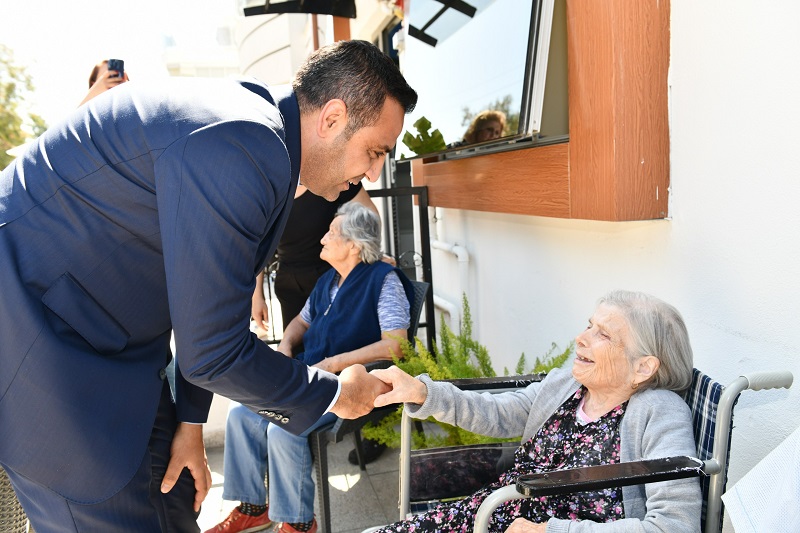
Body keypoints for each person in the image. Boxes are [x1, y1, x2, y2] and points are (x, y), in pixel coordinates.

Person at [0, 40, 417, 532]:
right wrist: (333, 395)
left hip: (111, 343)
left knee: (171, 498)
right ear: (331, 118)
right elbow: (212, 352)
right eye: (374, 151)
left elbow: (219, 304)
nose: (372, 173)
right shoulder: (243, 144)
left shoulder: (264, 141)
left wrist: (191, 423)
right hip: (42, 345)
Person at [370, 290, 701, 532]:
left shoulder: (660, 412)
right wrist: (425, 393)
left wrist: (550, 532)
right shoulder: (566, 385)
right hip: (490, 513)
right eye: (589, 326)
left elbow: (674, 526)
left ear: (643, 368)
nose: (581, 339)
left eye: (603, 335)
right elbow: (499, 412)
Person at [207, 202, 414, 533]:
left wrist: (334, 363)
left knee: (282, 426)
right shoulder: (328, 281)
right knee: (241, 415)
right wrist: (286, 346)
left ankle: (300, 523)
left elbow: (396, 346)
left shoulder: (383, 281)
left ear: (355, 245)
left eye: (332, 233)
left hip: (349, 385)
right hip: (311, 375)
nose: (323, 239)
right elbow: (300, 322)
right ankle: (253, 508)